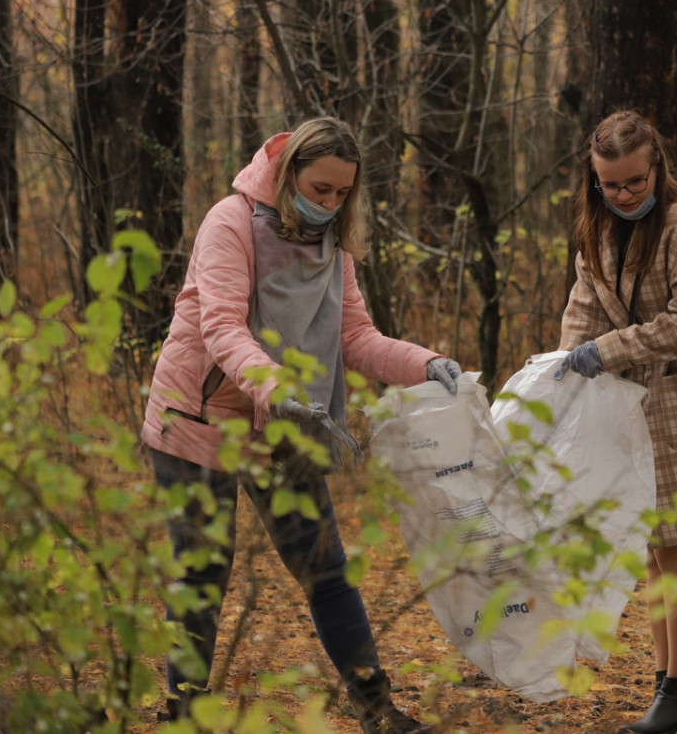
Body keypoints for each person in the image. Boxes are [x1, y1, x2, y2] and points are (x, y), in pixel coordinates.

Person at [141, 116, 460, 733]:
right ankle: (185, 716)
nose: (329, 205)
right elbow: (223, 327)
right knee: (204, 572)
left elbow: (356, 338)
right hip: (197, 417)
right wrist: (275, 384)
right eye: (319, 190)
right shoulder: (229, 224)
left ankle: (376, 709)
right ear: (289, 175)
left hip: (287, 421)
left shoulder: (331, 250)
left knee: (327, 569)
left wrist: (427, 363)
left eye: (343, 195)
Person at [556, 111, 677, 734]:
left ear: (658, 168)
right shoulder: (599, 232)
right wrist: (560, 369)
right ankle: (669, 684)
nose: (624, 195)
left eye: (635, 182)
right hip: (634, 411)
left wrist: (606, 353)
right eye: (610, 185)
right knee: (654, 555)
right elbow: (584, 310)